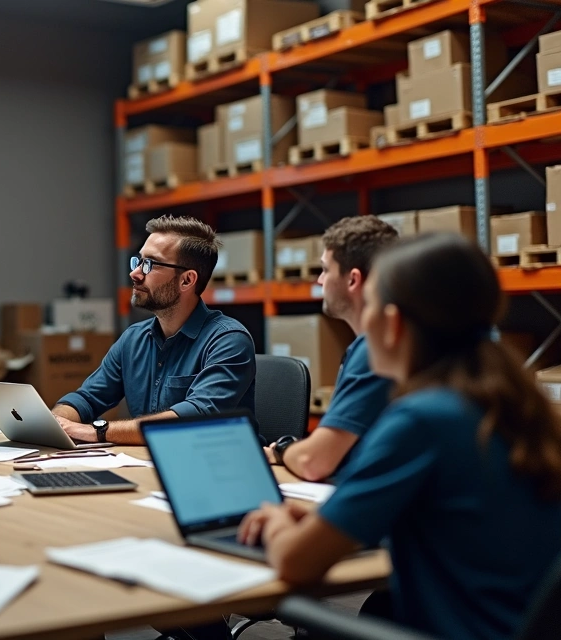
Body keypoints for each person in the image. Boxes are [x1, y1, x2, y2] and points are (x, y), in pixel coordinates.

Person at [238, 233, 561, 639]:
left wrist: (278, 522)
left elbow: (294, 563)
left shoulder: (421, 421)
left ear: (392, 323)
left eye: (370, 305)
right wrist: (325, 520)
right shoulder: (514, 404)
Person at [53, 216, 256, 445]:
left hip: (215, 467)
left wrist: (98, 431)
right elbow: (87, 399)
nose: (135, 273)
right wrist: (55, 423)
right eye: (138, 261)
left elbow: (193, 418)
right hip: (149, 461)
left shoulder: (228, 341)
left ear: (187, 280)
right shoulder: (133, 339)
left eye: (150, 264)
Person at [265, 216, 399, 480]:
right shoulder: (384, 342)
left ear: (353, 280)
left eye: (325, 270)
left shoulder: (376, 348)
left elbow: (313, 462)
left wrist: (283, 450)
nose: (319, 281)